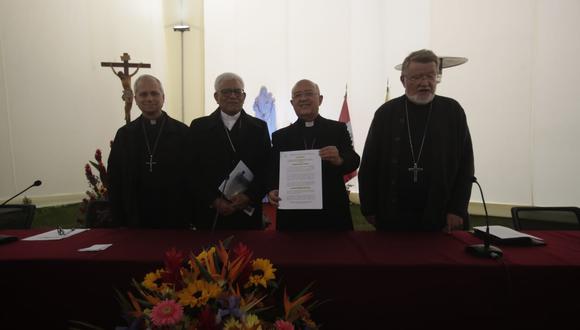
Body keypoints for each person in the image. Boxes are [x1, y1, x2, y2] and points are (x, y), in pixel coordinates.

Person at [358, 49, 474, 232]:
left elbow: (466, 165)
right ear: (403, 80)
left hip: (441, 214)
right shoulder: (386, 113)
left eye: (430, 76)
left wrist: (457, 209)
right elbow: (369, 164)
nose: (424, 83)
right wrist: (369, 208)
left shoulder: (452, 111)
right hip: (393, 213)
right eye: (416, 77)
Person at [268, 79, 360, 230]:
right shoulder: (281, 136)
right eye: (298, 96)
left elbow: (354, 160)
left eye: (309, 94)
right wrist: (272, 188)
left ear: (320, 99)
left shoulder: (337, 129)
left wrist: (339, 159)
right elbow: (273, 169)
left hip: (331, 212)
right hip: (293, 214)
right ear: (292, 103)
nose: (303, 99)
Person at [108, 74, 193, 228]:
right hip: (136, 215)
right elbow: (115, 178)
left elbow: (193, 176)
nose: (149, 98)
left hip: (175, 214)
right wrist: (118, 218)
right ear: (135, 98)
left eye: (154, 93)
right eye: (143, 94)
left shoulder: (182, 132)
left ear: (163, 97)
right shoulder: (125, 134)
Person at [190, 72, 271, 230]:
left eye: (237, 91)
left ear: (244, 96)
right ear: (216, 96)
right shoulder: (199, 127)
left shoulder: (259, 127)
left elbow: (266, 167)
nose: (232, 96)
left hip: (246, 211)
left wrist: (249, 197)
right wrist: (214, 200)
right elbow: (192, 170)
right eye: (226, 91)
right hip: (210, 211)